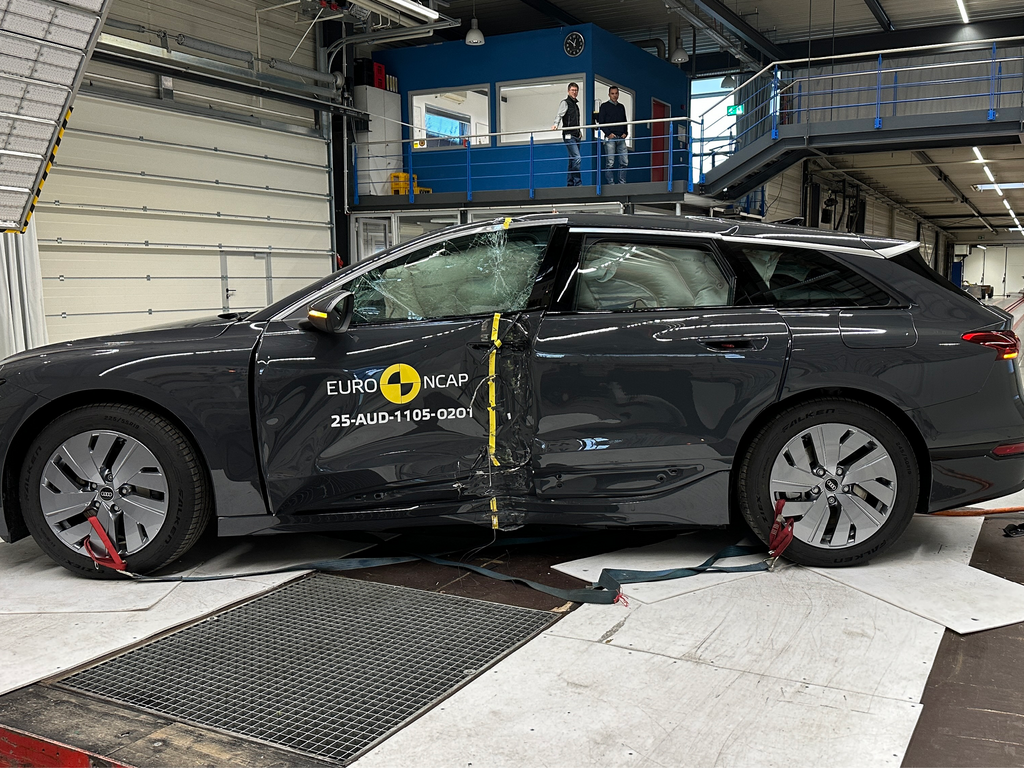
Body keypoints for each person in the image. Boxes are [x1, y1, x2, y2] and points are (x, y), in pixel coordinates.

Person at [551, 82, 582, 186]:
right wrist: (555, 124)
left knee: (572, 160)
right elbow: (559, 115)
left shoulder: (576, 106)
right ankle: (577, 183)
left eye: (576, 90)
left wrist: (579, 132)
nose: (574, 92)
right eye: (572, 90)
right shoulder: (565, 103)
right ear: (568, 91)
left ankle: (570, 183)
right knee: (577, 158)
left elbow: (576, 121)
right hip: (569, 135)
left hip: (576, 135)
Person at [597, 85, 628, 184]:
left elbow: (625, 121)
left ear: (618, 94)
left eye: (616, 93)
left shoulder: (621, 107)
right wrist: (608, 133)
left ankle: (622, 183)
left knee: (624, 162)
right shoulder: (604, 106)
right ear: (609, 95)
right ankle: (611, 184)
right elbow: (601, 122)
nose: (614, 95)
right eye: (612, 93)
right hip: (610, 138)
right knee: (610, 163)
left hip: (621, 138)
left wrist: (625, 133)